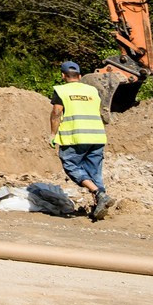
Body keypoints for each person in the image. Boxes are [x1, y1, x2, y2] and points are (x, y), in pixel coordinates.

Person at [49, 60, 111, 221]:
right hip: (97, 136)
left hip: (75, 137)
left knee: (70, 164)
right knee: (94, 171)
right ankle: (100, 203)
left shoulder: (61, 90)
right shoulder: (92, 91)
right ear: (80, 76)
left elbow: (56, 112)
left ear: (63, 75)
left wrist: (52, 134)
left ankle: (99, 193)